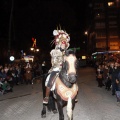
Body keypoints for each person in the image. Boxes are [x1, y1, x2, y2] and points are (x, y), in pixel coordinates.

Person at [43, 29, 70, 104]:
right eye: (62, 44)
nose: (63, 45)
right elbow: (54, 61)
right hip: (56, 69)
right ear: (59, 44)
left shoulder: (66, 53)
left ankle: (73, 95)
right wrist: (60, 63)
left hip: (65, 70)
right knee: (50, 81)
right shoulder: (54, 52)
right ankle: (46, 97)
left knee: (72, 78)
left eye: (65, 45)